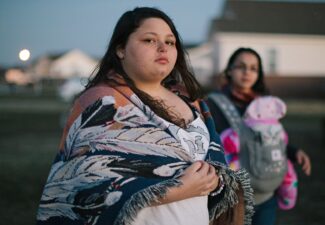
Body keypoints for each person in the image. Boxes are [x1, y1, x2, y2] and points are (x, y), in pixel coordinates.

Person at [36, 7, 253, 225]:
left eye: (170, 42)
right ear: (121, 49)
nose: (162, 48)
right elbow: (81, 187)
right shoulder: (101, 102)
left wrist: (215, 182)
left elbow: (214, 164)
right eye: (149, 40)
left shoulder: (193, 102)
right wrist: (175, 190)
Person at [207, 47, 311, 225]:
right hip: (232, 198)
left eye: (254, 68)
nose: (247, 72)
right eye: (241, 66)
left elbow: (272, 140)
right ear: (230, 70)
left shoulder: (265, 105)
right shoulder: (212, 104)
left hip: (265, 194)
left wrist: (294, 152)